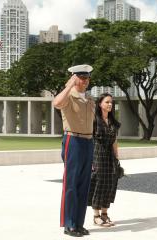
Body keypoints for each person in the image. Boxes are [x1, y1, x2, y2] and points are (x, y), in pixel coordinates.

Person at [53, 64, 95, 237]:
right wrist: (68, 85)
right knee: (71, 184)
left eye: (87, 78)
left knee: (84, 185)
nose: (85, 81)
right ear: (74, 77)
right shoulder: (68, 96)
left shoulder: (90, 99)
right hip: (73, 140)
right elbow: (56, 103)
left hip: (88, 141)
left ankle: (79, 223)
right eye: (81, 77)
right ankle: (69, 224)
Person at [88, 93, 121, 227]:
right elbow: (89, 140)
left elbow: (115, 141)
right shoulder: (94, 120)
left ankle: (105, 214)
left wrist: (117, 157)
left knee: (110, 184)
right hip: (97, 155)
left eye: (111, 103)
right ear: (100, 104)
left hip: (110, 157)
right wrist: (90, 160)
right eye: (107, 102)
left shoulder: (113, 122)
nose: (110, 105)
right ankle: (96, 216)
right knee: (99, 183)